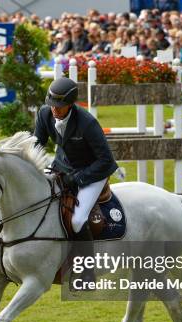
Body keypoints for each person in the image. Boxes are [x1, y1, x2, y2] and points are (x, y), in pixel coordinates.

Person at [34, 77, 118, 241]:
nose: (54, 110)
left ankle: (86, 263)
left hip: (92, 173)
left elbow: (106, 160)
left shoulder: (87, 123)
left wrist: (77, 178)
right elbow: (36, 147)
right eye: (52, 104)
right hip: (61, 167)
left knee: (77, 221)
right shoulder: (44, 114)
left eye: (59, 106)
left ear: (70, 104)